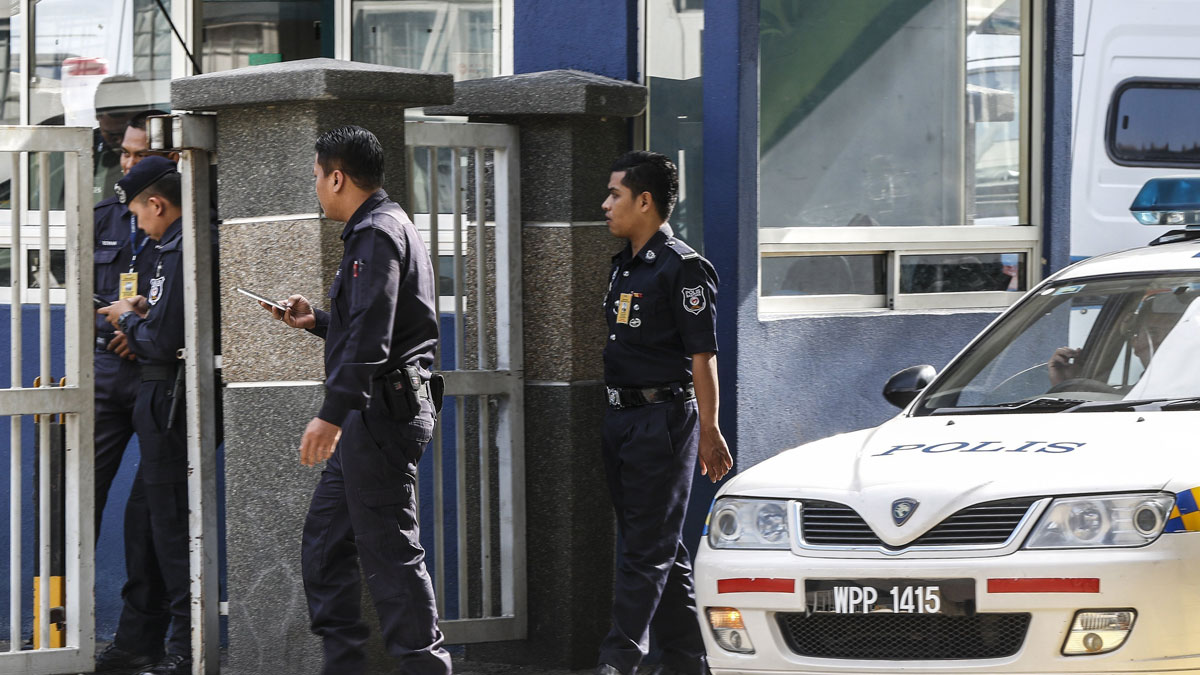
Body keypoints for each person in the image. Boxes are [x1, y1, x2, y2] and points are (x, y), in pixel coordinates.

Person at [260, 125, 451, 675]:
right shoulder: (384, 227)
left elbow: (372, 336)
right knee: (324, 548)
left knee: (392, 558)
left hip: (378, 417)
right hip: (371, 415)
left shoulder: (376, 234)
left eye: (317, 176)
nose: (317, 187)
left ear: (338, 177)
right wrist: (318, 321)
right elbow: (372, 322)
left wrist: (331, 414)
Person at [596, 151, 733, 675]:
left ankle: (617, 663)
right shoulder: (625, 265)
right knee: (658, 547)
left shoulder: (683, 267)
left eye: (615, 194)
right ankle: (686, 663)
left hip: (664, 420)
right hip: (621, 420)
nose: (605, 204)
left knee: (644, 551)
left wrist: (710, 429)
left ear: (645, 201)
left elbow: (703, 355)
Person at [90, 109, 178, 674]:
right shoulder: (105, 215)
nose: (128, 163)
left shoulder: (187, 223)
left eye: (140, 154)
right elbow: (83, 290)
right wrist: (119, 326)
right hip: (105, 373)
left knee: (149, 512)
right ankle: (55, 626)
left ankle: (139, 638)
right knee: (71, 497)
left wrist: (140, 331)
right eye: (123, 153)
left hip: (155, 375)